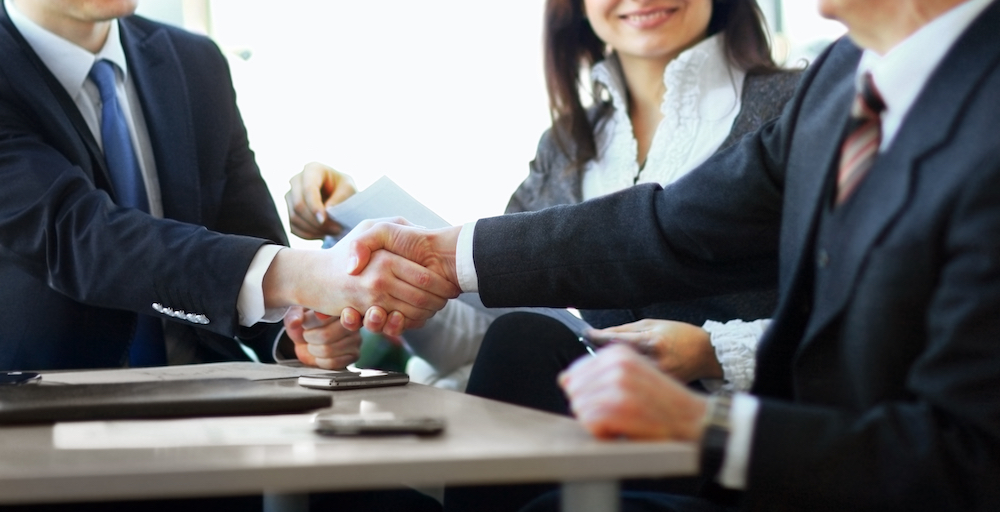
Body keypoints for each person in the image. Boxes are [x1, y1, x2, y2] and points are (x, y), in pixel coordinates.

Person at [342, 0, 1000, 510]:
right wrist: (443, 254)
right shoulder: (844, 75)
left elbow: (970, 459)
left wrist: (708, 425)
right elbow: (676, 224)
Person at [283, 0, 799, 400]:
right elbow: (485, 336)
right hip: (593, 423)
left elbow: (856, 318)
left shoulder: (794, 109)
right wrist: (373, 251)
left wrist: (711, 352)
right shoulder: (566, 148)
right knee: (518, 343)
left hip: (741, 423)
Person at [0, 0, 457, 374]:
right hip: (50, 413)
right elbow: (80, 237)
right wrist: (311, 278)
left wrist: (301, 328)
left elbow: (249, 243)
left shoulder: (195, 63)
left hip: (218, 403)